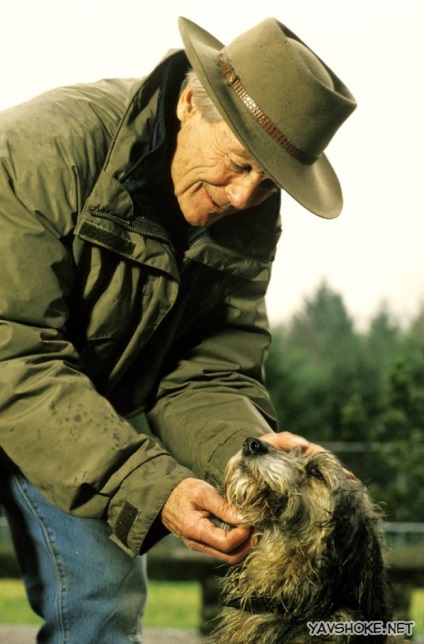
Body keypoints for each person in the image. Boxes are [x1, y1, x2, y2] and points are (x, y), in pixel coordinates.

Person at [0, 15, 356, 643]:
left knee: (105, 597)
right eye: (239, 164)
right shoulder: (38, 153)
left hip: (69, 415)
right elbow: (14, 350)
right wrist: (150, 484)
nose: (246, 196)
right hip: (20, 374)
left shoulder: (242, 212)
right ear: (192, 103)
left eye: (268, 180)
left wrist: (250, 456)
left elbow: (207, 370)